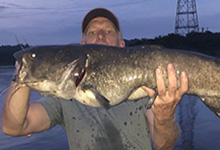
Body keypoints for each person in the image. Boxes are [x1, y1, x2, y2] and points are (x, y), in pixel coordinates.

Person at [2, 8, 189, 150]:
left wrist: (165, 116)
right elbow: (13, 127)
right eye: (92, 32)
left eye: (108, 31)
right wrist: (23, 74)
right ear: (82, 45)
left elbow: (164, 146)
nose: (100, 36)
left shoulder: (144, 88)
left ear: (121, 45)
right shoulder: (64, 96)